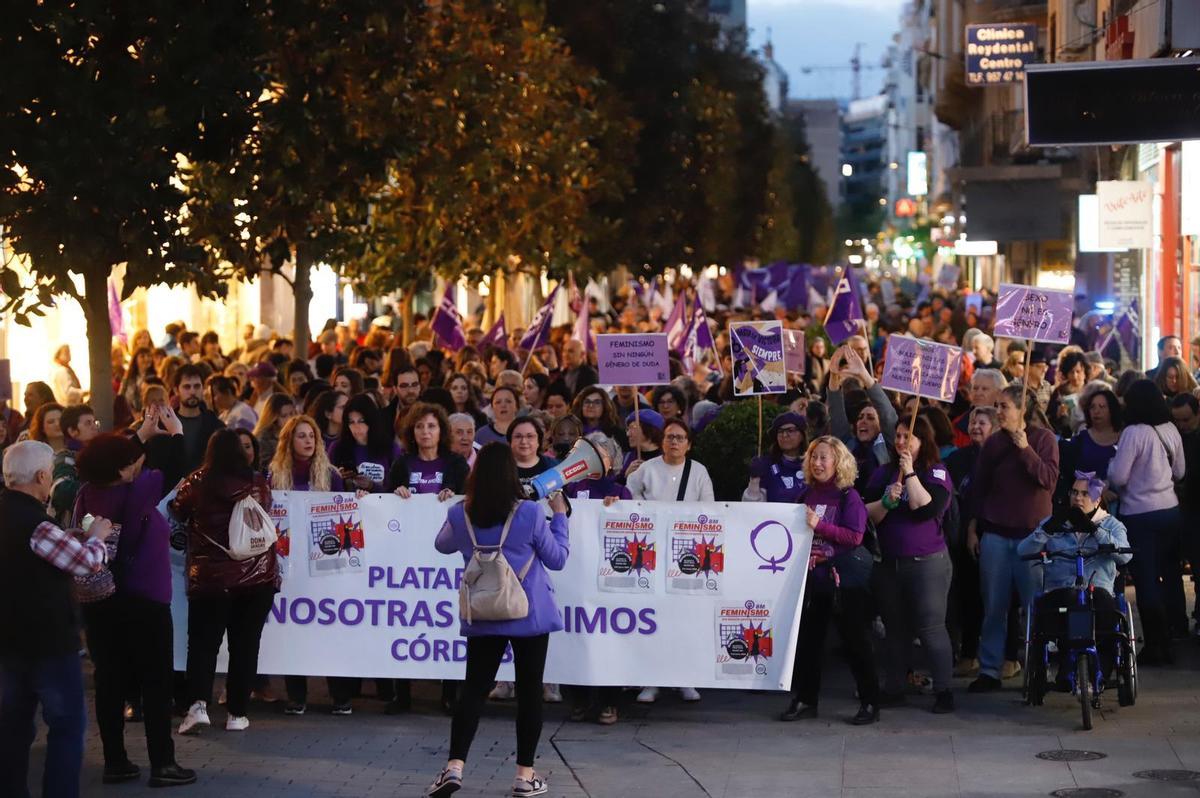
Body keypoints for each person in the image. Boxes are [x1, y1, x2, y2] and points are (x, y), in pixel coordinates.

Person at [425, 443, 569, 798]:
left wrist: (459, 519)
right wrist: (562, 516)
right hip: (528, 614)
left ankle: (453, 767)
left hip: (484, 611)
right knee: (530, 692)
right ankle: (525, 775)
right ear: (511, 475)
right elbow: (558, 559)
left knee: (473, 689)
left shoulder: (462, 513)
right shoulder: (532, 514)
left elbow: (442, 545)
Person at [74, 413, 197, 787]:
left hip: (100, 602)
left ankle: (116, 762)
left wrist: (139, 436)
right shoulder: (139, 489)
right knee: (156, 684)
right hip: (144, 600)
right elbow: (179, 465)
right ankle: (162, 764)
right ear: (124, 470)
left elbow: (118, 458)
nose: (138, 463)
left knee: (109, 681)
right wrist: (176, 434)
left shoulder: (88, 492)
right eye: (132, 462)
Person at [0, 442, 114, 798]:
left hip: (7, 643)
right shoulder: (35, 524)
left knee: (12, 731)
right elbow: (85, 563)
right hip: (48, 644)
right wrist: (97, 539)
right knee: (66, 729)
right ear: (42, 476)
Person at [173, 430, 280, 734]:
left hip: (210, 579)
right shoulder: (257, 482)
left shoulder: (197, 482)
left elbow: (177, 510)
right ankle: (237, 713)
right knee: (245, 647)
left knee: (203, 646)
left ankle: (197, 707)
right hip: (257, 577)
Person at [780, 436, 879, 724]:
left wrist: (820, 526)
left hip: (843, 582)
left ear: (838, 462)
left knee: (855, 643)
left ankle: (870, 702)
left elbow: (854, 536)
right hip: (814, 582)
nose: (818, 463)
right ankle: (806, 699)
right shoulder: (805, 495)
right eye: (814, 457)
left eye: (824, 457)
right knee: (809, 643)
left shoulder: (849, 497)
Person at [967, 384, 1059, 693]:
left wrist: (1025, 450)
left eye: (1004, 406)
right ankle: (990, 669)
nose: (998, 412)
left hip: (1032, 538)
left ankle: (1038, 669)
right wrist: (973, 527)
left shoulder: (1044, 439)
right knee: (994, 606)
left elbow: (1047, 479)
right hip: (995, 535)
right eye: (997, 406)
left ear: (1022, 410)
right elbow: (978, 488)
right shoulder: (993, 443)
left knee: (1035, 607)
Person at [864, 416, 955, 714]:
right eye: (898, 436)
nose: (901, 442)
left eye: (908, 437)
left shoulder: (937, 472)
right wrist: (885, 503)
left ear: (923, 443)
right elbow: (868, 517)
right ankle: (894, 687)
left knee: (930, 628)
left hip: (926, 564)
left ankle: (944, 690)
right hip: (889, 563)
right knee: (895, 630)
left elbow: (925, 509)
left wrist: (910, 474)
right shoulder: (882, 474)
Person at [1017, 472, 1132, 685]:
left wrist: (1096, 531)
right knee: (1069, 597)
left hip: (1097, 593)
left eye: (1086, 494)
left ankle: (1100, 672)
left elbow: (1125, 556)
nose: (1078, 498)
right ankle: (1067, 664)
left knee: (1104, 609)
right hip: (1060, 592)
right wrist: (1047, 530)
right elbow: (1022, 550)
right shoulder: (1056, 522)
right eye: (1075, 493)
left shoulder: (1112, 525)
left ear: (1098, 499)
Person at [627, 418, 711, 704]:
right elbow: (631, 497)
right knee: (651, 617)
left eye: (679, 437)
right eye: (669, 437)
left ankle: (685, 678)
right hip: (650, 552)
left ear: (688, 443)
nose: (673, 442)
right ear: (661, 440)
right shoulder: (647, 469)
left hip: (687, 555)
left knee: (684, 618)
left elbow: (708, 510)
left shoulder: (698, 472)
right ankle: (651, 679)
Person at [1107, 379, 1187, 663]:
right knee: (1171, 574)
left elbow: (1118, 478)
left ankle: (1155, 643)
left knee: (1146, 579)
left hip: (1139, 514)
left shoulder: (1132, 433)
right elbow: (1180, 471)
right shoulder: (1170, 430)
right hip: (1170, 511)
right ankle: (1176, 633)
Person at [944, 406, 997, 677]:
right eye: (973, 422)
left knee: (995, 598)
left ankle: (1000, 656)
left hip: (994, 531)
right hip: (960, 532)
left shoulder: (1001, 457)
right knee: (967, 596)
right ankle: (968, 653)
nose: (975, 426)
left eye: (983, 423)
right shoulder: (956, 458)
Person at [1056, 384, 1121, 507]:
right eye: (1092, 407)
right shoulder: (1081, 438)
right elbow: (1072, 471)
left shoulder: (1124, 437)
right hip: (1086, 503)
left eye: (1102, 407)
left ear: (1112, 409)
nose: (1096, 411)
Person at [329, 395, 402, 494]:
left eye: (361, 421)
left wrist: (371, 486)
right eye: (351, 422)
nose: (356, 427)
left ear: (371, 421)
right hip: (348, 506)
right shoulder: (336, 448)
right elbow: (327, 489)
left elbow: (398, 490)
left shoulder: (391, 448)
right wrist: (338, 479)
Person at [49, 404, 100, 525]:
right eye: (88, 423)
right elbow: (60, 490)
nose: (94, 427)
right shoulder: (65, 457)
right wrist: (101, 491)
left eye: (95, 422)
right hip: (77, 529)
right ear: (72, 431)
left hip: (102, 520)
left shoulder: (100, 454)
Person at [743, 412, 807, 502]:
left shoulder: (813, 463)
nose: (784, 435)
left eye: (790, 430)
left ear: (802, 435)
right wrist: (754, 480)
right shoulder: (767, 464)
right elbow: (751, 506)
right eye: (780, 431)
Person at [174, 365, 226, 475]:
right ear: (176, 390)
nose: (192, 392)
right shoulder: (167, 425)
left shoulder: (216, 426)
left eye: (197, 386)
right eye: (187, 387)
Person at [1047, 351, 1089, 437]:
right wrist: (1059, 413)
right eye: (1071, 372)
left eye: (1078, 371)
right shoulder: (1060, 391)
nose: (1075, 376)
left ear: (1085, 372)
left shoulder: (1091, 389)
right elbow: (1050, 415)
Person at [252, 394, 296, 472]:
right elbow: (267, 468)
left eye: (292, 414)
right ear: (274, 417)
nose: (290, 419)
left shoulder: (296, 431)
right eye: (284, 416)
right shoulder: (263, 439)